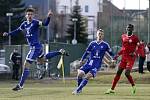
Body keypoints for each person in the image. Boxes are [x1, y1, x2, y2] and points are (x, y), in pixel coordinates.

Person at [2, 8, 68, 91]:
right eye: (28, 14)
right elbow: (17, 31)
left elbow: (45, 24)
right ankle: (59, 52)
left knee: (26, 65)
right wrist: (8, 34)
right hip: (36, 47)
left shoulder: (36, 22)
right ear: (26, 15)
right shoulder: (24, 24)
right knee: (42, 59)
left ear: (33, 15)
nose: (30, 16)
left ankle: (20, 85)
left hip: (35, 47)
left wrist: (48, 17)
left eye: (31, 14)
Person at [72, 29, 114, 95]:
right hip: (89, 63)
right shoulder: (92, 43)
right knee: (80, 74)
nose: (100, 35)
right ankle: (79, 89)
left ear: (103, 35)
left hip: (96, 65)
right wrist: (82, 60)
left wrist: (113, 59)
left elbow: (111, 53)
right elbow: (86, 52)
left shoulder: (105, 45)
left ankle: (77, 90)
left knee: (87, 76)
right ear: (97, 34)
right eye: (99, 33)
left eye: (101, 34)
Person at [105, 24, 139, 95]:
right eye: (128, 27)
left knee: (127, 73)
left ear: (133, 29)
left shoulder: (135, 38)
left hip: (130, 58)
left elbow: (138, 46)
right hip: (124, 58)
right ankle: (112, 89)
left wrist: (135, 52)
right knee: (118, 72)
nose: (129, 29)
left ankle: (133, 86)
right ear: (126, 29)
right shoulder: (123, 36)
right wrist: (116, 56)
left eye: (130, 28)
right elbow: (123, 48)